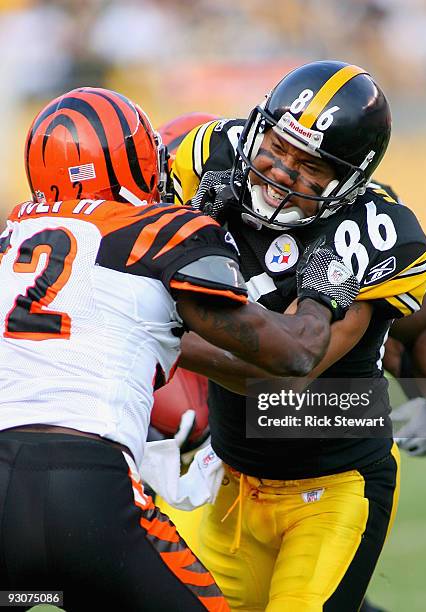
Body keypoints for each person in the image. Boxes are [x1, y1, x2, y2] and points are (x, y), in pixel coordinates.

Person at [0, 87, 358, 612]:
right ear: (137, 159)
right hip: (92, 491)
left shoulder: (11, 239)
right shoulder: (161, 230)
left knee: (39, 593)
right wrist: (322, 294)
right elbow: (293, 355)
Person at [169, 60, 426, 611]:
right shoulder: (210, 159)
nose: (282, 171)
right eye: (278, 145)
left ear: (350, 180)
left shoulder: (371, 232)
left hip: (331, 488)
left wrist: (157, 337)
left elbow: (281, 372)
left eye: (310, 166)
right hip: (232, 483)